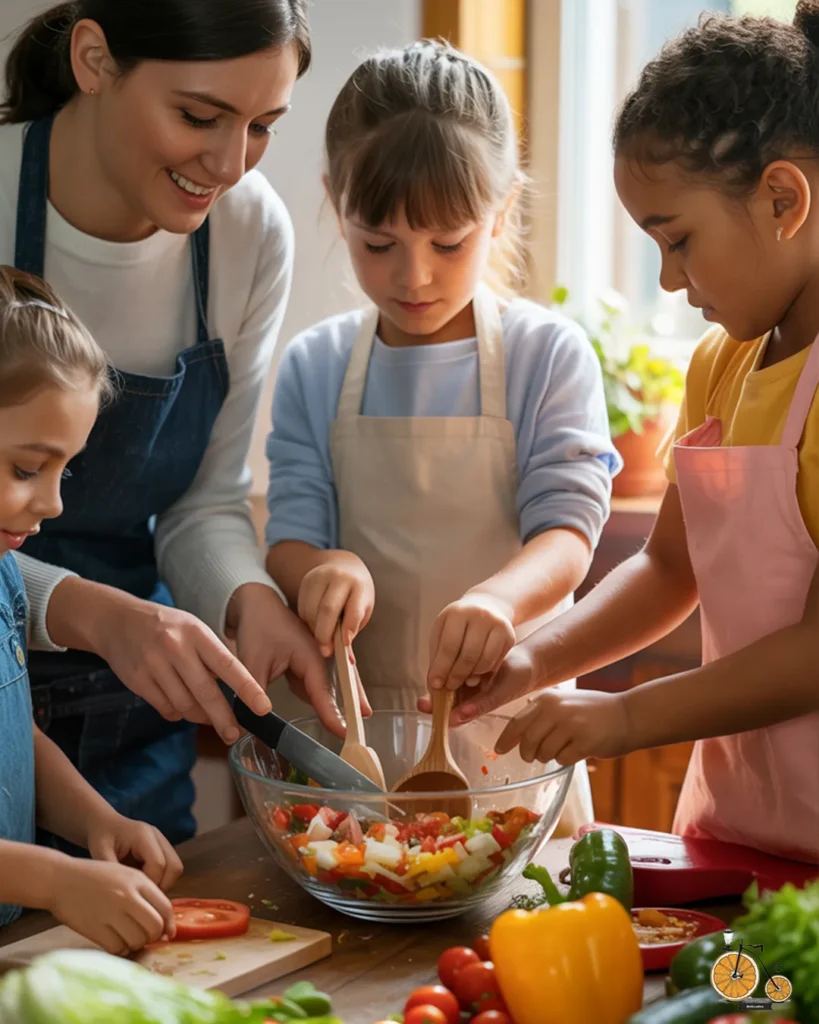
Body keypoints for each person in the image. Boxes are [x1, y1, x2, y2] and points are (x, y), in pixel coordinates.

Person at [463, 3, 819, 863]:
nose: (667, 279)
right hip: (736, 825)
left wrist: (627, 716)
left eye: (678, 240)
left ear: (781, 198)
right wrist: (528, 662)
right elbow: (669, 567)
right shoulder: (718, 365)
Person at [0, 0, 348, 850]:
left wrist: (247, 601)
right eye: (198, 115)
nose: (229, 163)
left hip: (137, 714)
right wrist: (95, 614)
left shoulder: (247, 229)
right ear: (92, 57)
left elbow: (205, 503)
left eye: (262, 125)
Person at [264, 41, 621, 834]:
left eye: (448, 243)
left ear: (502, 210)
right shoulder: (314, 366)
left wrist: (499, 597)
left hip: (504, 735)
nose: (412, 277)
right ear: (334, 202)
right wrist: (323, 564)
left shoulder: (545, 355)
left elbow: (567, 532)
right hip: (343, 744)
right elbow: (287, 535)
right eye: (377, 244)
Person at [0, 266, 182, 952]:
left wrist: (96, 822)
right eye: (26, 468)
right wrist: (54, 880)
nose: (53, 505)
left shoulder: (4, 577)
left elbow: (12, 742)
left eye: (63, 469)